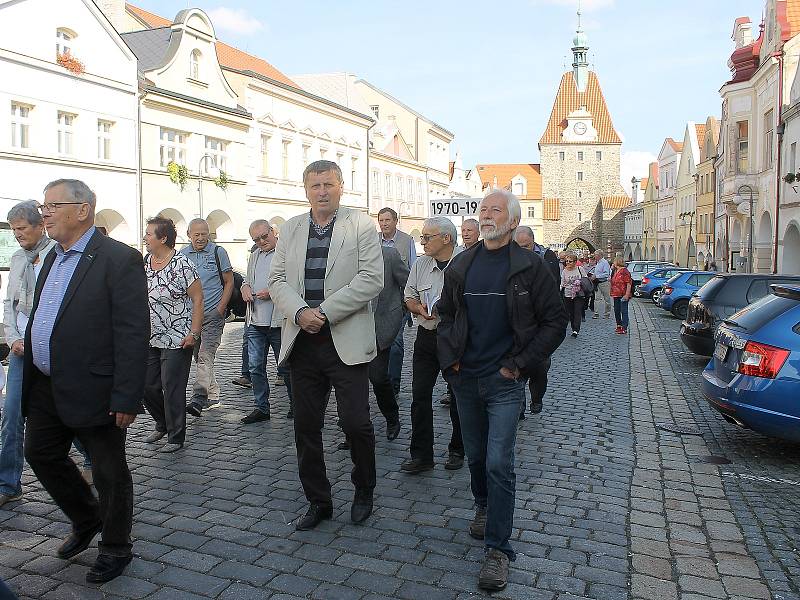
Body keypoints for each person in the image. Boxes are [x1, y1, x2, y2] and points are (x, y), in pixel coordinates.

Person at [437, 189, 567, 591]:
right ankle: (481, 505)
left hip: (505, 383)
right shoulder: (462, 264)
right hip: (465, 379)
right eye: (484, 209)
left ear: (512, 221)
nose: (487, 215)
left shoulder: (531, 267)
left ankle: (498, 549)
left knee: (498, 462)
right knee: (476, 456)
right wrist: (451, 362)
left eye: (496, 210)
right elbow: (446, 315)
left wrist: (520, 364)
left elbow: (555, 321)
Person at [23, 179, 149, 583]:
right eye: (43, 206)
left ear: (82, 210)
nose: (44, 213)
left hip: (96, 386)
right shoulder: (50, 259)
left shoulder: (118, 258)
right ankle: (86, 515)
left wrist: (127, 395)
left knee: (109, 470)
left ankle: (115, 546)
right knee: (40, 452)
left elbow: (133, 331)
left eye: (52, 206)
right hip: (46, 381)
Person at [269, 160, 384, 530]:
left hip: (344, 339)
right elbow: (277, 279)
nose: (322, 191)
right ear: (305, 189)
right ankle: (318, 500)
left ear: (340, 187)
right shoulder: (291, 228)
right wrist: (301, 312)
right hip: (303, 342)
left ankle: (364, 487)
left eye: (329, 185)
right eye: (315, 185)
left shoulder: (361, 224)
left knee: (355, 423)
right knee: (306, 425)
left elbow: (371, 279)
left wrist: (324, 312)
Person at [1, 201, 56, 507]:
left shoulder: (56, 255)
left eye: (22, 228)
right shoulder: (17, 259)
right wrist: (12, 338)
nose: (18, 234)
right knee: (11, 414)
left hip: (50, 349)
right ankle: (8, 483)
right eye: (14, 230)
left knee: (62, 412)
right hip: (21, 349)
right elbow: (10, 304)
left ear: (39, 226)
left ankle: (90, 460)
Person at [402, 217, 465, 474]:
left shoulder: (465, 262)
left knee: (459, 397)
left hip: (455, 340)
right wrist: (418, 308)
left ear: (446, 238)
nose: (422, 241)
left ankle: (458, 449)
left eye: (428, 237)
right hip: (426, 337)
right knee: (419, 396)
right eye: (423, 237)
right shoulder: (421, 263)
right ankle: (421, 455)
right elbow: (409, 295)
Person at [142, 217, 203, 452]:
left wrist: (194, 333)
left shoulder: (182, 264)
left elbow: (198, 299)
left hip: (178, 336)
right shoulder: (147, 262)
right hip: (150, 336)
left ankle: (176, 436)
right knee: (147, 385)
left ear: (163, 238)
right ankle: (163, 423)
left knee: (172, 387)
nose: (145, 238)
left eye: (149, 234)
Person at [240, 220, 293, 423]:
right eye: (257, 239)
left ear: (273, 232)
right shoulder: (254, 255)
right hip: (255, 320)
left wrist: (272, 292)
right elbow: (247, 281)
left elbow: (293, 282)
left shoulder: (286, 252)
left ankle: (295, 405)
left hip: (279, 322)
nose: (262, 241)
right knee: (255, 367)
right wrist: (245, 288)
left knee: (286, 367)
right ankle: (261, 407)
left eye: (264, 236)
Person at [179, 219, 233, 417]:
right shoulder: (182, 255)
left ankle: (198, 398)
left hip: (213, 314)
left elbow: (229, 282)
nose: (201, 238)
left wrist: (221, 308)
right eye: (197, 234)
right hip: (193, 316)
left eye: (204, 234)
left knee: (205, 356)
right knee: (199, 357)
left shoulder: (218, 252)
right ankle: (214, 395)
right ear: (189, 235)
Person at [512, 226, 558, 416]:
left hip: (540, 324)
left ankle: (537, 398)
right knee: (517, 368)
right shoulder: (509, 259)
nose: (523, 250)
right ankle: (519, 405)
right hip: (518, 324)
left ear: (534, 242)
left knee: (540, 366)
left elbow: (554, 289)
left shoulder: (547, 258)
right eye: (519, 246)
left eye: (527, 246)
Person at [368, 246, 409, 440]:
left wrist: (399, 309)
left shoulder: (389, 254)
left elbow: (408, 284)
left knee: (378, 377)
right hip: (352, 326)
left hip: (381, 325)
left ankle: (392, 417)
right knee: (352, 381)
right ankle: (355, 429)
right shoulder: (344, 254)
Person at [377, 207, 416, 398]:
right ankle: (380, 379)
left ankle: (393, 384)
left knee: (395, 344)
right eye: (381, 220)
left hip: (396, 304)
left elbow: (411, 273)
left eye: (387, 220)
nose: (384, 224)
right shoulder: (372, 241)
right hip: (375, 305)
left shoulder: (406, 241)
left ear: (395, 221)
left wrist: (407, 304)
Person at [560, 252, 586, 338]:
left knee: (577, 311)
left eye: (570, 261)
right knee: (571, 312)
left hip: (578, 294)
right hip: (568, 294)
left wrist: (579, 282)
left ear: (575, 262)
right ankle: (573, 327)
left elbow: (585, 279)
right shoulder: (564, 271)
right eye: (566, 261)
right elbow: (562, 283)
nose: (568, 263)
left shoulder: (580, 269)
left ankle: (576, 330)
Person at [611, 256, 633, 334]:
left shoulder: (624, 271)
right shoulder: (615, 271)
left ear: (617, 262)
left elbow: (629, 283)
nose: (613, 263)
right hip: (615, 294)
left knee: (624, 311)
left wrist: (627, 294)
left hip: (623, 294)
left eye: (614, 261)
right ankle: (619, 325)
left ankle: (624, 327)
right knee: (616, 310)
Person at [591, 250, 612, 320]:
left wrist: (596, 276)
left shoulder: (605, 263)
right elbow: (597, 272)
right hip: (597, 283)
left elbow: (606, 274)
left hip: (604, 283)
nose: (594, 256)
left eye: (595, 255)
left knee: (607, 299)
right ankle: (596, 313)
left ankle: (607, 314)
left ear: (600, 255)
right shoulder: (598, 263)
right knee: (596, 299)